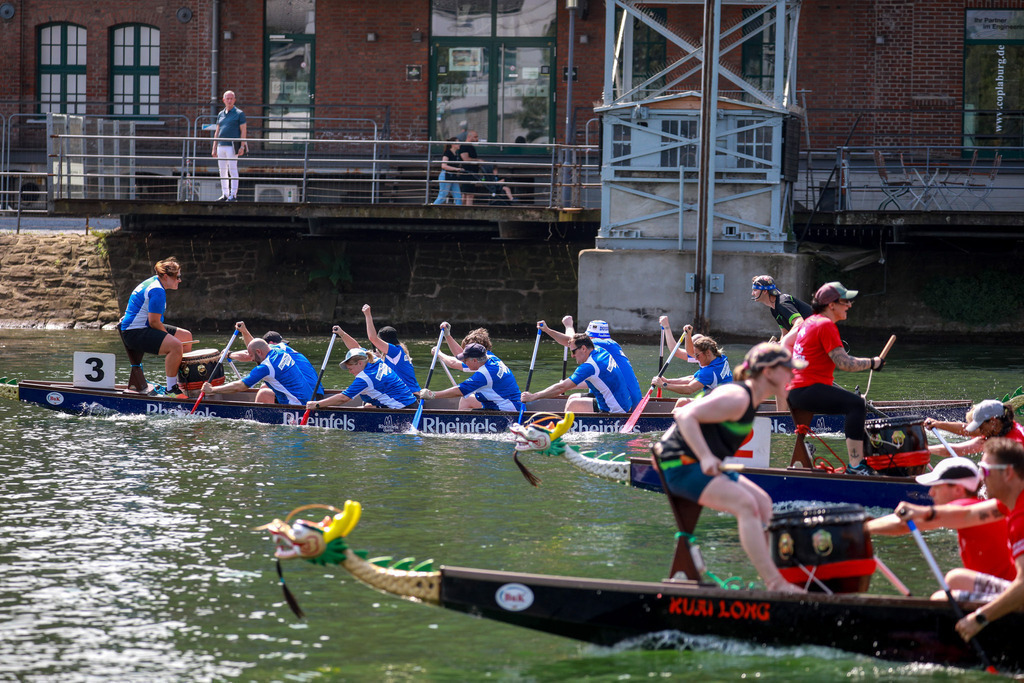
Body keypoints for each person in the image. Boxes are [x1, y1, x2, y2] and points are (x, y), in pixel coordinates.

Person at [652, 343, 807, 594]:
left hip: (695, 464)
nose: (793, 374)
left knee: (764, 503)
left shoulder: (751, 399)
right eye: (787, 369)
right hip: (679, 465)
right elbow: (684, 415)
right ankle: (776, 584)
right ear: (768, 372)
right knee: (746, 504)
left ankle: (784, 576)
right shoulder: (739, 397)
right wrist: (706, 457)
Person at [893, 438, 1024, 643]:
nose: (982, 478)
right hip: (1012, 587)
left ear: (1008, 473)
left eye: (986, 471)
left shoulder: (1019, 516)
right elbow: (966, 514)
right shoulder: (1006, 505)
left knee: (941, 598)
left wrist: (980, 618)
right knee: (956, 579)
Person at [866, 456, 1015, 592]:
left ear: (958, 489)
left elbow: (906, 524)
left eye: (937, 486)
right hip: (1003, 586)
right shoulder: (977, 507)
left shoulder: (965, 506)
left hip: (1011, 591)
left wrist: (863, 528)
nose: (930, 493)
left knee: (954, 580)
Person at [784, 281, 885, 475]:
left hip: (797, 391)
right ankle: (856, 466)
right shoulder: (825, 325)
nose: (849, 305)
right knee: (856, 405)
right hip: (808, 389)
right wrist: (873, 362)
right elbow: (844, 363)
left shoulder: (809, 322)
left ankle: (862, 462)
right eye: (845, 301)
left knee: (853, 403)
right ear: (831, 305)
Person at [120, 256, 194, 396]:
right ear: (166, 276)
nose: (180, 280)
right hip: (134, 333)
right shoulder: (157, 290)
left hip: (141, 326)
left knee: (186, 337)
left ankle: (182, 383)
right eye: (177, 277)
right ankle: (171, 389)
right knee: (176, 346)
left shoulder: (155, 281)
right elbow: (154, 322)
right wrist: (170, 339)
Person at [538, 316, 642, 406]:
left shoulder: (599, 344)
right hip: (631, 398)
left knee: (574, 403)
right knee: (574, 397)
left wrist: (552, 329)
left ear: (591, 338)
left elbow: (570, 340)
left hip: (625, 400)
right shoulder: (611, 345)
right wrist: (569, 385)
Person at [521, 333, 635, 414]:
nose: (572, 356)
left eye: (573, 351)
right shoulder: (600, 351)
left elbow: (561, 388)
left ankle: (565, 433)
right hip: (624, 403)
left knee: (573, 404)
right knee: (572, 397)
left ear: (583, 348)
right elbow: (599, 380)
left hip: (616, 410)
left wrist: (533, 397)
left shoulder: (589, 366)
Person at [201, 338, 312, 405]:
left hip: (295, 407)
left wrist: (212, 390)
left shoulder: (266, 367)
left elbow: (240, 386)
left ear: (258, 352)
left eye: (252, 355)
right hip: (307, 399)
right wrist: (230, 354)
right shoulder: (279, 351)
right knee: (264, 388)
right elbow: (249, 352)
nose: (251, 359)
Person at [229, 322, 324, 400]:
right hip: (318, 392)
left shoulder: (276, 350)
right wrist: (244, 332)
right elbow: (253, 349)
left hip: (308, 395)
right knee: (264, 386)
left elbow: (249, 355)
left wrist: (229, 354)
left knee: (264, 393)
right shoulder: (285, 350)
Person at [417, 342, 522, 412]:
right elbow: (454, 362)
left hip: (508, 411)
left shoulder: (484, 375)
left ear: (475, 360)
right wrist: (440, 352)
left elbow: (459, 391)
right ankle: (460, 425)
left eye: (465, 360)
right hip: (514, 403)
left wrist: (433, 395)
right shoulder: (490, 357)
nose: (463, 362)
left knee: (465, 396)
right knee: (467, 399)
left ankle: (460, 428)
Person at [305, 347, 416, 411]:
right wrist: (342, 334)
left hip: (403, 409)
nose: (350, 372)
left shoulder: (364, 378)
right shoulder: (375, 360)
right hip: (412, 402)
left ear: (360, 363)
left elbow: (343, 398)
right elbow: (355, 346)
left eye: (350, 368)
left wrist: (317, 404)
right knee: (368, 405)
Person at [654, 333, 733, 407]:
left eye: (697, 355)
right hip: (728, 399)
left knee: (681, 403)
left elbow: (689, 389)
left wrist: (663, 385)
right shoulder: (721, 358)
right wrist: (668, 381)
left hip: (721, 405)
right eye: (695, 355)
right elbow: (693, 378)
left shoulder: (708, 372)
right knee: (682, 402)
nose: (696, 359)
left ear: (708, 352)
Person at [924, 399, 1024, 457]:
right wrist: (938, 424)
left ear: (993, 420)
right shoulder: (997, 429)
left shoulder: (1015, 445)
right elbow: (955, 449)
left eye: (980, 426)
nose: (979, 431)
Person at [360, 304, 420, 393]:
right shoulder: (397, 352)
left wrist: (368, 315)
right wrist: (380, 358)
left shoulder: (394, 351)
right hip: (410, 392)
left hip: (407, 394)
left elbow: (372, 338)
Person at [750, 275, 813, 345]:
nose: (752, 294)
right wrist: (778, 347)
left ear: (765, 291)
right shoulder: (774, 309)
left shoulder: (782, 303)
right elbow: (785, 333)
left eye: (755, 290)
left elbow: (800, 323)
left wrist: (781, 343)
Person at [211, 90, 247, 202]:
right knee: (222, 170)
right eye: (228, 99)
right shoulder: (220, 114)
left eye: (231, 99)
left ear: (234, 100)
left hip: (232, 145)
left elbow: (243, 131)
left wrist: (242, 146)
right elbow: (217, 131)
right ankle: (225, 194)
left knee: (232, 169)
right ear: (224, 100)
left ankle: (233, 195)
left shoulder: (239, 113)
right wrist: (214, 147)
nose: (229, 101)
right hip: (221, 145)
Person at [433, 138, 463, 205]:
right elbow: (443, 166)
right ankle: (433, 207)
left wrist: (459, 169)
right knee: (443, 196)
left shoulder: (456, 154)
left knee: (458, 196)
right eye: (457, 143)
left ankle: (459, 210)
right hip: (446, 175)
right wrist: (456, 169)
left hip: (453, 176)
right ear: (453, 144)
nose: (459, 144)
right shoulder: (447, 152)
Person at [459, 130, 481, 206]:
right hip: (467, 173)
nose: (477, 139)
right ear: (469, 137)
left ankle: (463, 208)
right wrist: (478, 161)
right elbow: (465, 159)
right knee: (469, 194)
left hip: (472, 172)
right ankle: (468, 209)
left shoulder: (470, 146)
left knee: (467, 194)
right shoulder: (464, 146)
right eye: (475, 137)